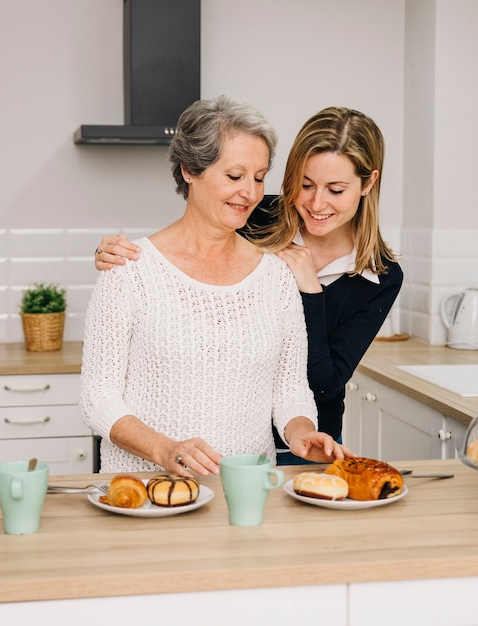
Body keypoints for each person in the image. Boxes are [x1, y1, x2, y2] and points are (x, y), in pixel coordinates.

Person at [93, 106, 403, 465]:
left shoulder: (376, 276)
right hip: (166, 463)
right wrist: (110, 257)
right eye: (305, 185)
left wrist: (310, 293)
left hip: (297, 442)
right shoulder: (258, 216)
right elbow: (183, 249)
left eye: (335, 189)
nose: (317, 203)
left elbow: (311, 385)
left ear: (368, 183)